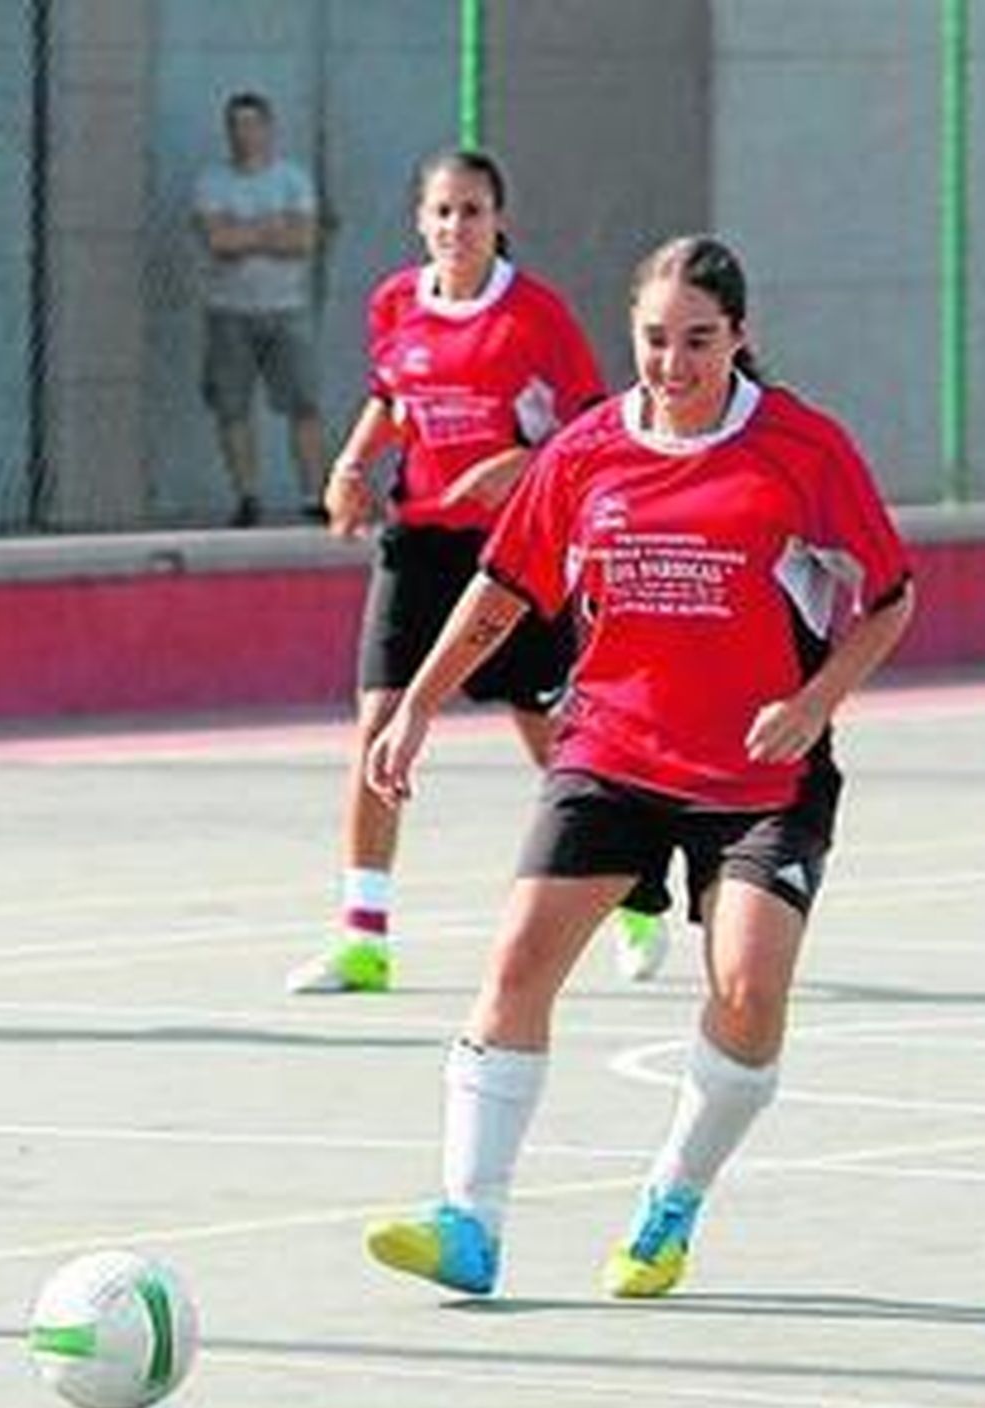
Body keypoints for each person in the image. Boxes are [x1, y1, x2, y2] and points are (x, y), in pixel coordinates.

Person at [362, 235, 915, 1298]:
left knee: (747, 993)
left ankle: (671, 1199)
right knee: (518, 964)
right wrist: (417, 709)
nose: (672, 362)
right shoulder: (585, 450)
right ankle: (467, 1220)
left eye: (698, 340)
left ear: (739, 337)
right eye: (654, 339)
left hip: (758, 774)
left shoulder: (800, 449)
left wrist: (812, 702)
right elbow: (501, 591)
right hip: (611, 749)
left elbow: (889, 598)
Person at [284, 148, 667, 996]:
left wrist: (517, 467)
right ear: (421, 220)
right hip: (418, 544)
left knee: (556, 741)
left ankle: (637, 888)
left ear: (500, 219)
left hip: (514, 552)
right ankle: (364, 936)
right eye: (443, 211)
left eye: (473, 210)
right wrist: (351, 463)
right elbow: (392, 397)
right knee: (381, 723)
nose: (457, 226)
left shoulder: (534, 315)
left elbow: (593, 428)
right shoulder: (395, 302)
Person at [193, 90, 325, 527]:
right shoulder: (212, 182)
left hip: (286, 308)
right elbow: (217, 242)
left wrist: (244, 232)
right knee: (232, 406)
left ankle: (313, 495)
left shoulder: (293, 180)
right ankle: (247, 496)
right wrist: (272, 230)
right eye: (236, 126)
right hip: (229, 310)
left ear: (267, 129)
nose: (244, 135)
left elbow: (303, 243)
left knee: (303, 403)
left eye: (252, 125)